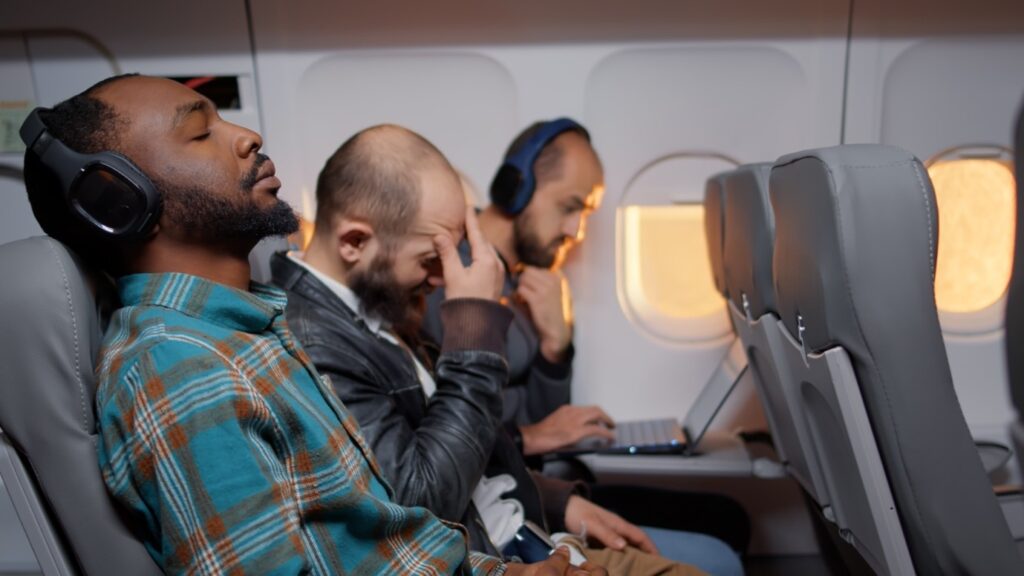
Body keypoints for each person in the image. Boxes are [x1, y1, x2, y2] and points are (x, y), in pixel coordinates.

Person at [23, 73, 604, 575]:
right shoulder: (177, 368)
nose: (249, 137)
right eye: (200, 132)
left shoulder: (256, 330)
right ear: (117, 201)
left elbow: (385, 539)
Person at [274, 123, 742, 575]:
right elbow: (422, 502)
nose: (440, 278)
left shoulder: (377, 310)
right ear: (355, 242)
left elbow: (474, 458)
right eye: (428, 260)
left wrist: (558, 500)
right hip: (497, 553)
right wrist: (475, 328)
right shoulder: (317, 343)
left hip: (523, 528)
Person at [423, 120, 751, 555]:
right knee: (721, 535)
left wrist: (556, 345)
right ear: (515, 189)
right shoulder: (454, 282)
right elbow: (440, 427)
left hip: (543, 475)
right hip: (504, 494)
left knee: (731, 517)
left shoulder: (529, 284)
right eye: (569, 206)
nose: (575, 231)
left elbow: (547, 417)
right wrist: (530, 437)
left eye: (585, 215)